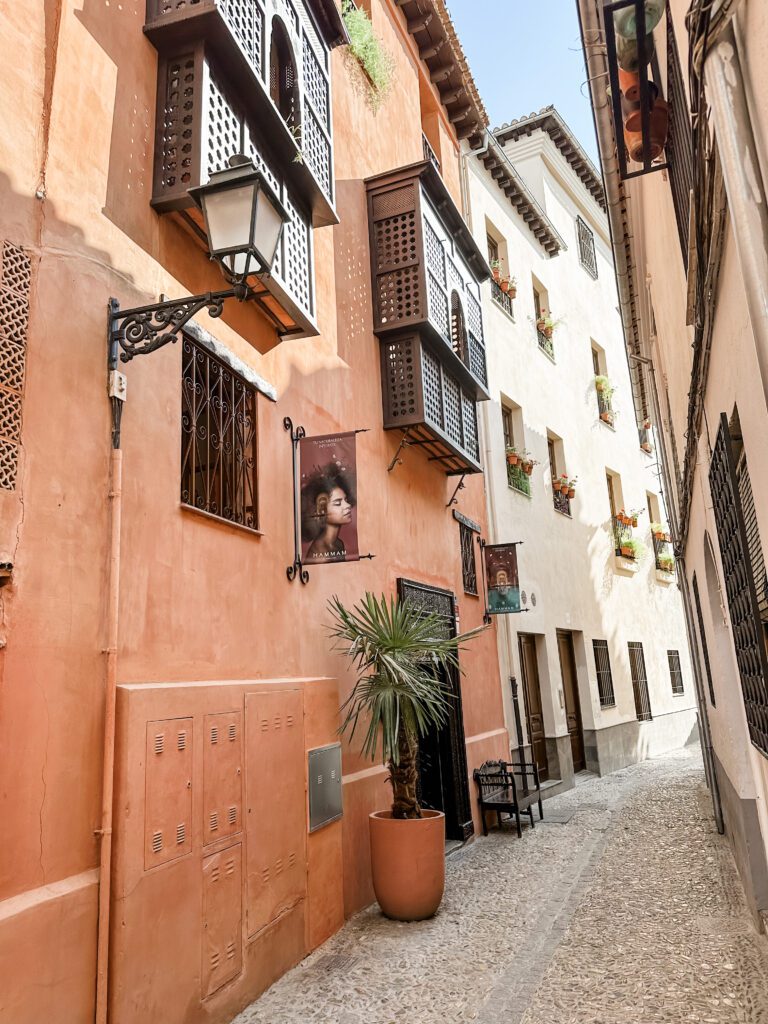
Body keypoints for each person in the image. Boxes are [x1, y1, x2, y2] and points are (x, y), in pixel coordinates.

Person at [301, 463, 356, 563]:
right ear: (322, 510)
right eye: (338, 503)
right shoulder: (319, 554)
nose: (347, 506)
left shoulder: (338, 544)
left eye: (346, 500)